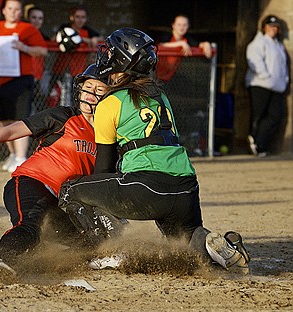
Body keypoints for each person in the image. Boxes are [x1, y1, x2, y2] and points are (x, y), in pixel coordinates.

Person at [58, 28, 251, 273]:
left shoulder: (110, 102)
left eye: (111, 52)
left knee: (71, 190)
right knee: (185, 242)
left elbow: (103, 169)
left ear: (121, 61)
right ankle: (225, 247)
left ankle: (108, 252)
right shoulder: (160, 96)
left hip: (147, 186)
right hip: (186, 186)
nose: (106, 57)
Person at [0, 65, 110, 271]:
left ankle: (50, 264)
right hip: (32, 183)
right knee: (29, 227)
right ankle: (2, 261)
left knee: (93, 242)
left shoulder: (108, 134)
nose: (91, 95)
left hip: (63, 201)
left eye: (99, 90)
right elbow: (11, 131)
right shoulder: (63, 116)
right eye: (88, 87)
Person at [0, 0, 47, 173]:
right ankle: (13, 153)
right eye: (10, 8)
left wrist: (24, 47)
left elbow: (43, 50)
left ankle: (21, 157)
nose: (13, 12)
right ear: (3, 11)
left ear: (20, 12)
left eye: (16, 9)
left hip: (21, 78)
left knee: (20, 119)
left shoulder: (28, 29)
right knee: (4, 120)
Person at [245, 15, 289, 157]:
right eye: (270, 27)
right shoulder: (259, 43)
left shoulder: (278, 45)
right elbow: (254, 60)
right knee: (258, 114)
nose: (273, 29)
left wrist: (284, 80)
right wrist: (265, 76)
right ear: (264, 27)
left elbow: (283, 66)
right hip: (260, 84)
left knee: (276, 115)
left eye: (276, 27)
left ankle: (259, 142)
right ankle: (254, 141)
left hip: (277, 86)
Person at [53, 5, 103, 78]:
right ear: (71, 17)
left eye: (83, 17)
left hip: (79, 69)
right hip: (62, 67)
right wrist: (79, 39)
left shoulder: (86, 29)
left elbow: (100, 38)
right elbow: (54, 38)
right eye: (77, 17)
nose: (80, 20)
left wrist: (91, 39)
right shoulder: (65, 28)